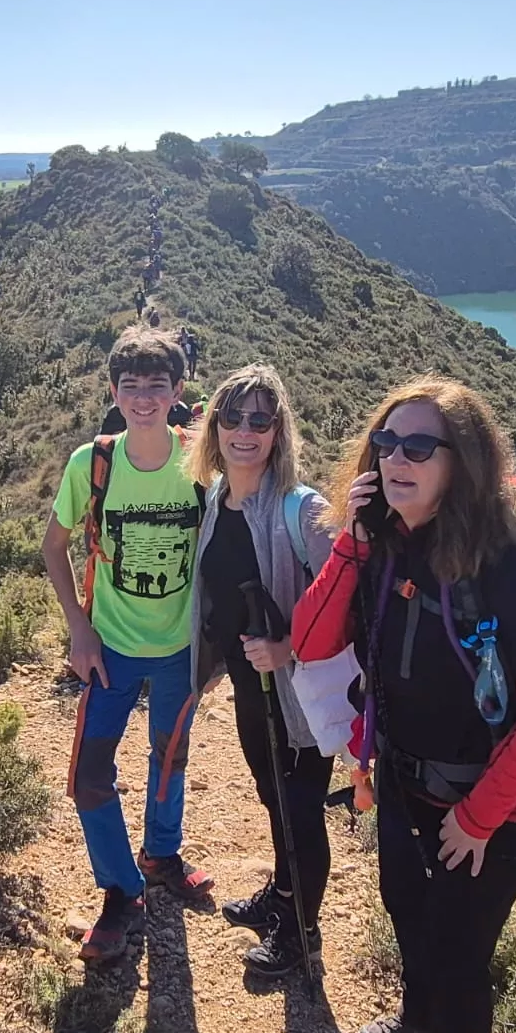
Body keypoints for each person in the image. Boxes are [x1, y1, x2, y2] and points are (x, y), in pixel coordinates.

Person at [292, 376, 516, 1033]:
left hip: (506, 808)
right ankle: (417, 1021)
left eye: (421, 446)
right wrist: (353, 544)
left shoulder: (506, 561)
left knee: (458, 955)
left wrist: (479, 820)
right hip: (408, 777)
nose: (397, 459)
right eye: (387, 443)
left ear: (464, 461)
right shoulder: (385, 541)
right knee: (406, 906)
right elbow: (310, 638)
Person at [43, 326, 214, 963]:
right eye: (132, 386)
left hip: (179, 650)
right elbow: (53, 547)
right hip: (109, 646)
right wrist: (78, 628)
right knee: (89, 775)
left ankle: (162, 854)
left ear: (178, 392)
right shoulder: (93, 463)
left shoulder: (201, 460)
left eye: (158, 386)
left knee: (168, 759)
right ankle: (120, 890)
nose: (144, 398)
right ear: (114, 391)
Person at [186, 366, 336, 976]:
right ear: (214, 427)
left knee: (300, 811)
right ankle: (281, 898)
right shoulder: (216, 502)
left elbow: (348, 608)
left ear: (278, 433)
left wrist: (289, 649)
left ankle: (302, 936)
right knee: (274, 800)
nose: (244, 431)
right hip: (252, 690)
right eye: (232, 417)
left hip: (298, 696)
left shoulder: (303, 512)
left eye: (259, 420)